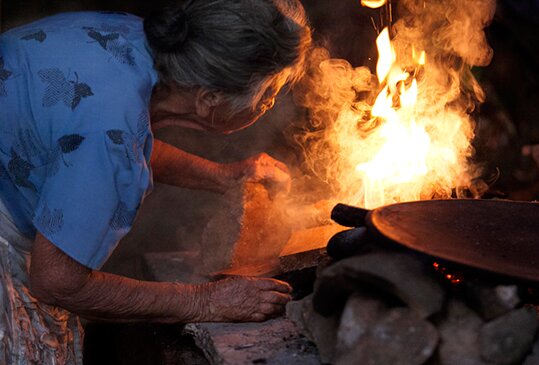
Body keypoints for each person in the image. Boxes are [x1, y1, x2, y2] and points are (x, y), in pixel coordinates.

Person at [0, 0, 311, 363]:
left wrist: (226, 176)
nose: (270, 103)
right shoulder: (109, 134)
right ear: (210, 99)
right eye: (268, 94)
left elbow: (95, 145)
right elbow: (56, 281)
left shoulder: (127, 37)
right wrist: (203, 301)